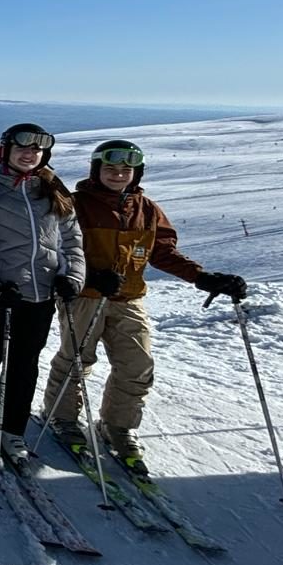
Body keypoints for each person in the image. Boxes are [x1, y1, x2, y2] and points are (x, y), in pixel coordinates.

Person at [39, 139, 247, 471]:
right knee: (76, 359)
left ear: (137, 173)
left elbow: (163, 252)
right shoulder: (76, 204)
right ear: (96, 170)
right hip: (85, 296)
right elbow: (55, 248)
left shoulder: (147, 209)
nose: (118, 175)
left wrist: (203, 277)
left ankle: (116, 425)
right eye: (110, 169)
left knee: (138, 366)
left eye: (126, 170)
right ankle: (61, 417)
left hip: (129, 297)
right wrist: (89, 278)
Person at [0, 123, 85, 467]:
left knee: (25, 363)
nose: (29, 155)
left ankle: (12, 426)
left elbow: (72, 242)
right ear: (6, 152)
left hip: (41, 296)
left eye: (36, 151)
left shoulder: (56, 195)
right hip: (0, 294)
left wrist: (72, 277)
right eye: (21, 149)